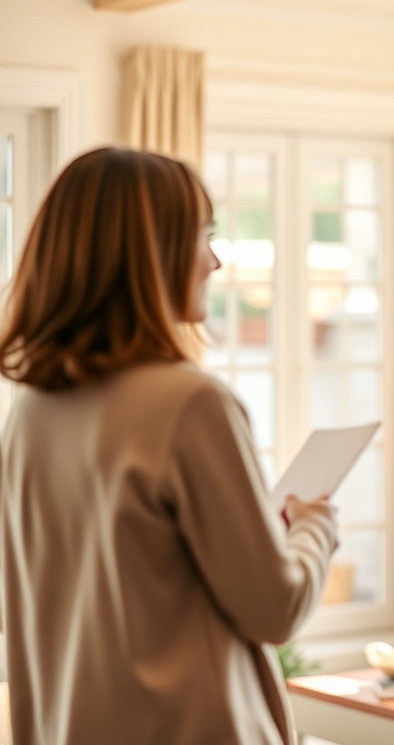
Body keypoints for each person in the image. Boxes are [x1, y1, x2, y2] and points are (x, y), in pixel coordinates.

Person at [0, 147, 338, 745]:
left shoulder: (31, 411)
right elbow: (275, 608)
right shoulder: (191, 405)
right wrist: (313, 526)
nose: (213, 260)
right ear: (144, 255)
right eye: (200, 236)